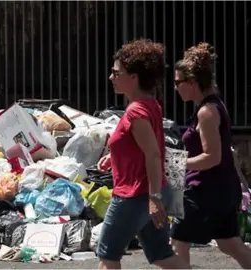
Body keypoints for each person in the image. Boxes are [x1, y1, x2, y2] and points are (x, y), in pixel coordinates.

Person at [95, 39, 190, 269]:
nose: (111, 77)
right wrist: (114, 157)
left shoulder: (135, 111)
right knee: (162, 255)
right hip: (149, 194)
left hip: (136, 196)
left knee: (108, 255)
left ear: (134, 77)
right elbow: (145, 145)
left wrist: (154, 199)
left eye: (116, 72)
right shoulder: (150, 104)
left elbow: (153, 154)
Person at [171, 42, 251, 268]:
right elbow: (227, 152)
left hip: (205, 191)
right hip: (222, 189)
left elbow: (212, 157)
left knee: (178, 243)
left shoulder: (207, 112)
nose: (175, 88)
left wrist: (177, 162)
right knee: (230, 244)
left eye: (178, 82)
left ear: (192, 83)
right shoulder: (214, 106)